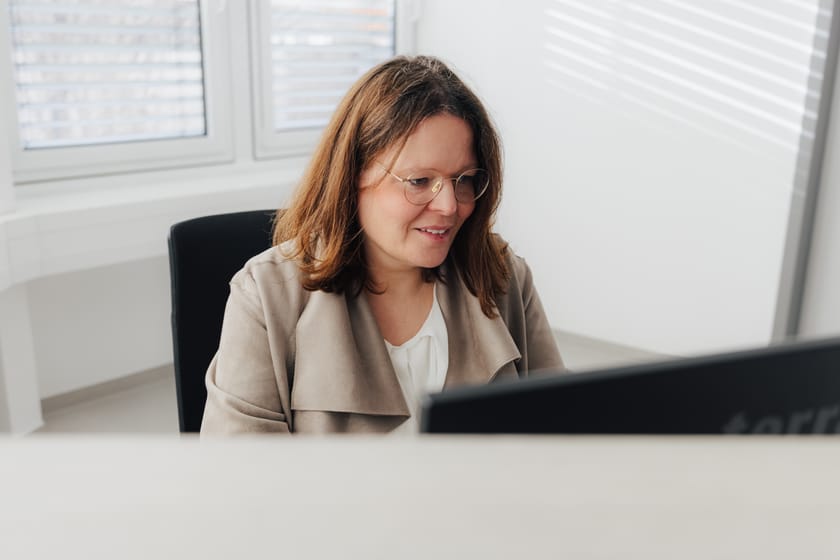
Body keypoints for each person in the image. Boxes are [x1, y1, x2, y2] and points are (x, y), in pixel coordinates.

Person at [201, 55, 563, 435]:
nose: (449, 206)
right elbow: (241, 466)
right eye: (419, 181)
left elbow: (563, 430)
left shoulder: (502, 274)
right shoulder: (265, 294)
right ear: (353, 174)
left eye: (465, 179)